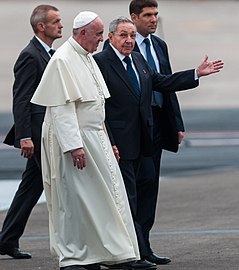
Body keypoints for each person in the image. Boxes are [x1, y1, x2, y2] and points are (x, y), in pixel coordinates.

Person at [93, 16, 223, 269]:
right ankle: (130, 255)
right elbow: (97, 107)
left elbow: (161, 82)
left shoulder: (137, 59)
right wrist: (108, 140)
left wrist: (195, 73)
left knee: (145, 196)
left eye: (131, 36)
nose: (129, 40)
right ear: (110, 38)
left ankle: (143, 248)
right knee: (127, 199)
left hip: (144, 142)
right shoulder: (100, 63)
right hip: (119, 144)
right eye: (123, 35)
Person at [31, 11, 140, 270]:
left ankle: (107, 252)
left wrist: (107, 139)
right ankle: (74, 256)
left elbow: (97, 105)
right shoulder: (63, 60)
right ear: (82, 34)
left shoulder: (86, 57)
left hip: (95, 138)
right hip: (76, 142)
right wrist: (74, 146)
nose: (102, 40)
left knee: (102, 199)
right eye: (99, 34)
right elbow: (61, 109)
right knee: (76, 201)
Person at [0, 5, 63, 259]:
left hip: (46, 131)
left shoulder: (48, 53)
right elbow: (22, 99)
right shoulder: (31, 55)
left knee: (31, 187)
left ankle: (7, 240)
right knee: (53, 185)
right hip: (37, 134)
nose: (61, 25)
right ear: (41, 26)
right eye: (56, 22)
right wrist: (24, 136)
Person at [129, 0, 185, 265]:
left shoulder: (159, 45)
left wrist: (177, 123)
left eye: (155, 15)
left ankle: (145, 247)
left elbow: (167, 84)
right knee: (138, 187)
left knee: (151, 188)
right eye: (148, 15)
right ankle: (134, 248)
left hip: (159, 125)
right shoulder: (123, 44)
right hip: (135, 128)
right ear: (134, 17)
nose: (153, 20)